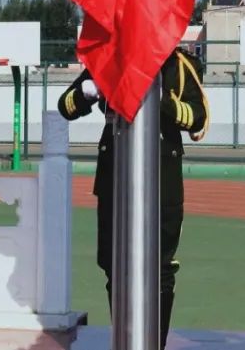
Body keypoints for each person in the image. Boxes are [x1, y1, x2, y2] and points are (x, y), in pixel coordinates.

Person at [57, 47, 209, 350]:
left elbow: (198, 119)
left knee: (161, 267)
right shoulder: (110, 58)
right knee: (115, 263)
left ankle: (155, 344)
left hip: (161, 177)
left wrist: (158, 99)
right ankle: (124, 341)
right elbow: (66, 106)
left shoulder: (180, 65)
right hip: (115, 174)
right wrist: (92, 89)